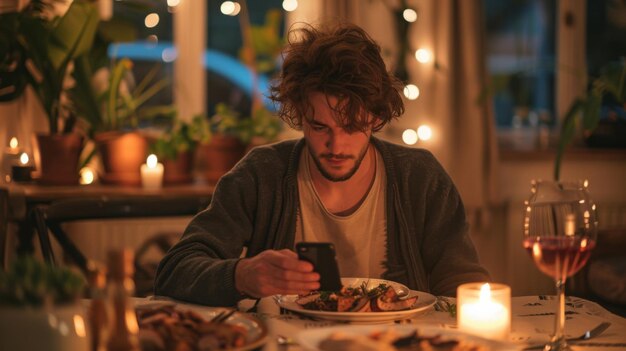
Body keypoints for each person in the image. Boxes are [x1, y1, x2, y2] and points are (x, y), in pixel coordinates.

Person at [155, 23, 489, 306]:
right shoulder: (262, 173)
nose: (336, 146)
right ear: (300, 115)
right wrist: (241, 275)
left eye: (353, 127)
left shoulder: (419, 177)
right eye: (319, 127)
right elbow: (174, 270)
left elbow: (463, 286)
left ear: (375, 117)